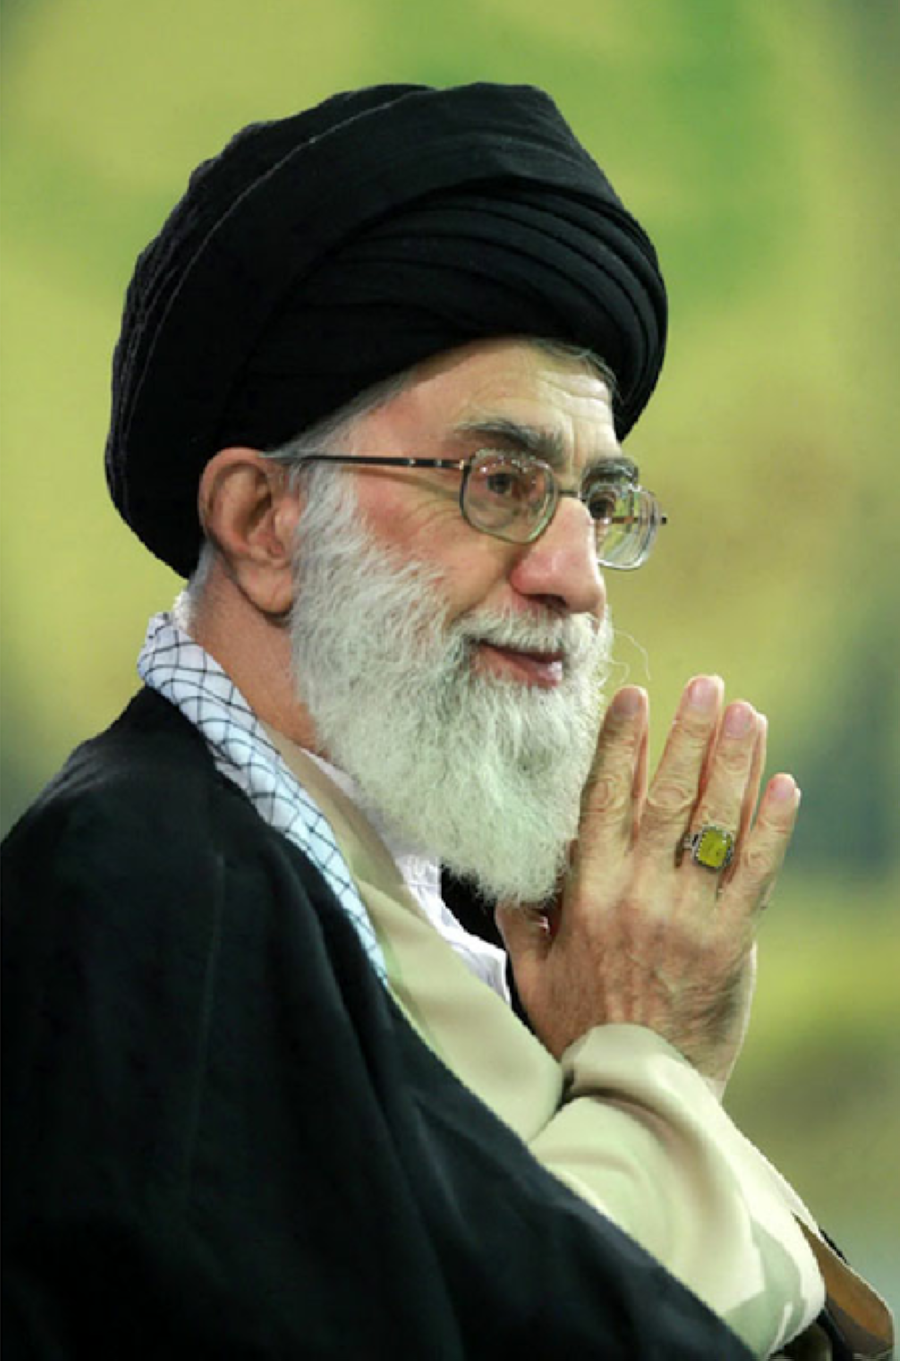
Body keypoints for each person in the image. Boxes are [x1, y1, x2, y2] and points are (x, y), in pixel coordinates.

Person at [1, 83, 892, 1361]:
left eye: (597, 501)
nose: (577, 578)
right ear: (263, 523)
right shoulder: (142, 889)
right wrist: (648, 1068)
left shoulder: (451, 902)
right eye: (499, 480)